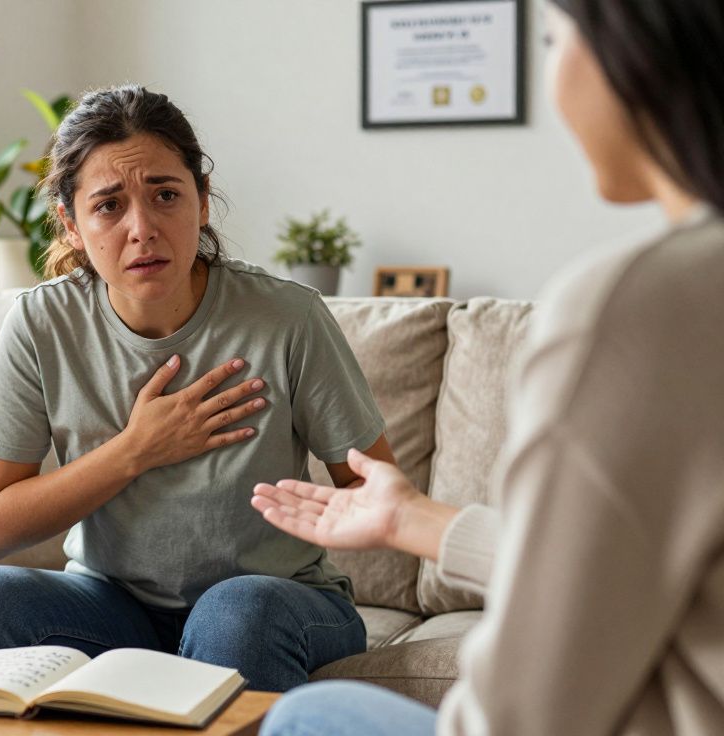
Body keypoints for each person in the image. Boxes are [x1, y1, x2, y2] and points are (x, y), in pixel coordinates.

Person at [254, 0, 724, 733]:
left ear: (627, 48)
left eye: (550, 38)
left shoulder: (639, 306)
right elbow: (616, 572)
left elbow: (527, 712)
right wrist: (414, 519)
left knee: (310, 718)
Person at [0, 85, 397, 691]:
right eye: (108, 206)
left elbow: (377, 489)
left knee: (236, 616)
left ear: (202, 203)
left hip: (276, 603)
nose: (142, 228)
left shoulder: (288, 319)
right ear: (71, 225)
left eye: (166, 196)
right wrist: (138, 448)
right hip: (110, 605)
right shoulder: (42, 324)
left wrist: (339, 510)